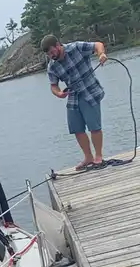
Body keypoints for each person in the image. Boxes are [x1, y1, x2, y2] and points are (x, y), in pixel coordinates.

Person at [41, 34, 108, 170]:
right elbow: (53, 85)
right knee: (76, 129)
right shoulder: (52, 67)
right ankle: (88, 157)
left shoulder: (76, 47)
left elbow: (98, 45)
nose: (52, 55)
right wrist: (59, 93)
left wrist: (101, 54)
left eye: (53, 51)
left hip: (89, 90)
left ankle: (98, 156)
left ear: (58, 45)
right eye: (49, 54)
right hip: (73, 96)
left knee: (94, 126)